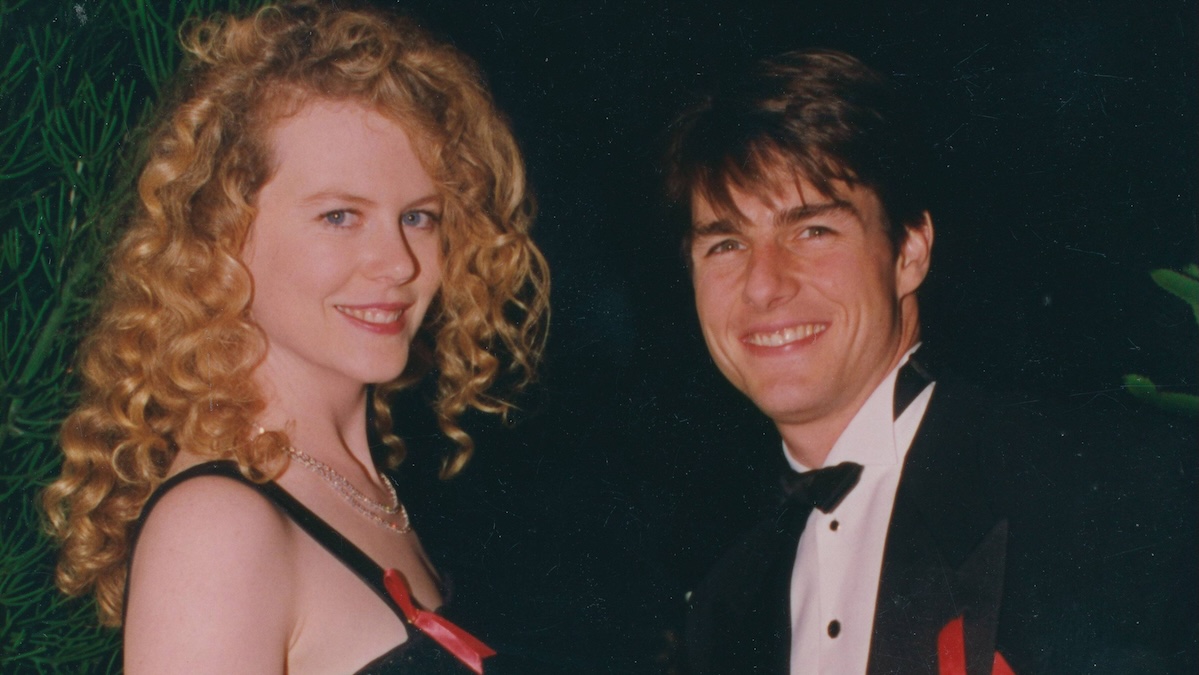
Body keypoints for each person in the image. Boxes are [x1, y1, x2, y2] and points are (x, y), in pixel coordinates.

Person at [41, 2, 548, 673]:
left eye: (419, 217)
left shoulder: (362, 486)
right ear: (222, 234)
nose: (397, 263)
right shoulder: (218, 528)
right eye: (339, 215)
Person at [664, 49, 1196, 674]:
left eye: (812, 231)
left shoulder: (1111, 492)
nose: (762, 285)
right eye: (726, 243)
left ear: (910, 251)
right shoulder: (724, 610)